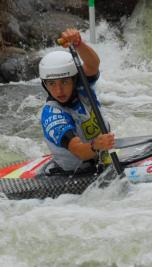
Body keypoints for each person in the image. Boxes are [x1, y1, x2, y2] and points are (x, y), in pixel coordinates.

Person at [39, 28, 115, 172]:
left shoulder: (82, 85)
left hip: (102, 156)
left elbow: (93, 65)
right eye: (52, 84)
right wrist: (96, 146)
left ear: (74, 79)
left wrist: (78, 44)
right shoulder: (52, 114)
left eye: (64, 82)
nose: (59, 91)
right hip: (75, 172)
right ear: (45, 85)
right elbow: (78, 150)